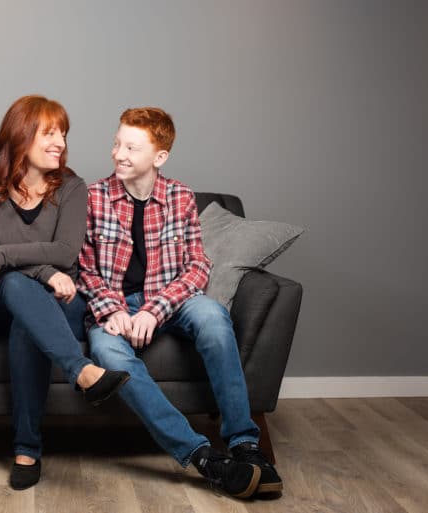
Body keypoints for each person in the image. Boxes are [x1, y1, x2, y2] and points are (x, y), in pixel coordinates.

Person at [77, 107, 282, 499]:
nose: (118, 153)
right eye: (117, 143)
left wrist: (155, 310)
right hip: (115, 306)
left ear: (159, 157)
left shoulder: (181, 197)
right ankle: (203, 456)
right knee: (108, 354)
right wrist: (113, 309)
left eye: (131, 147)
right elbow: (83, 268)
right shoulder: (94, 197)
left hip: (169, 301)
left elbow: (196, 266)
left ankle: (245, 444)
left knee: (213, 316)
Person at [0, 95, 130, 491]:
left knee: (29, 325)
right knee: (19, 285)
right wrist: (38, 270)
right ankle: (82, 371)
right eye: (49, 133)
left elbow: (66, 252)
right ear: (20, 136)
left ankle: (26, 450)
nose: (60, 142)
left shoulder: (71, 187)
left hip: (59, 303)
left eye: (63, 134)